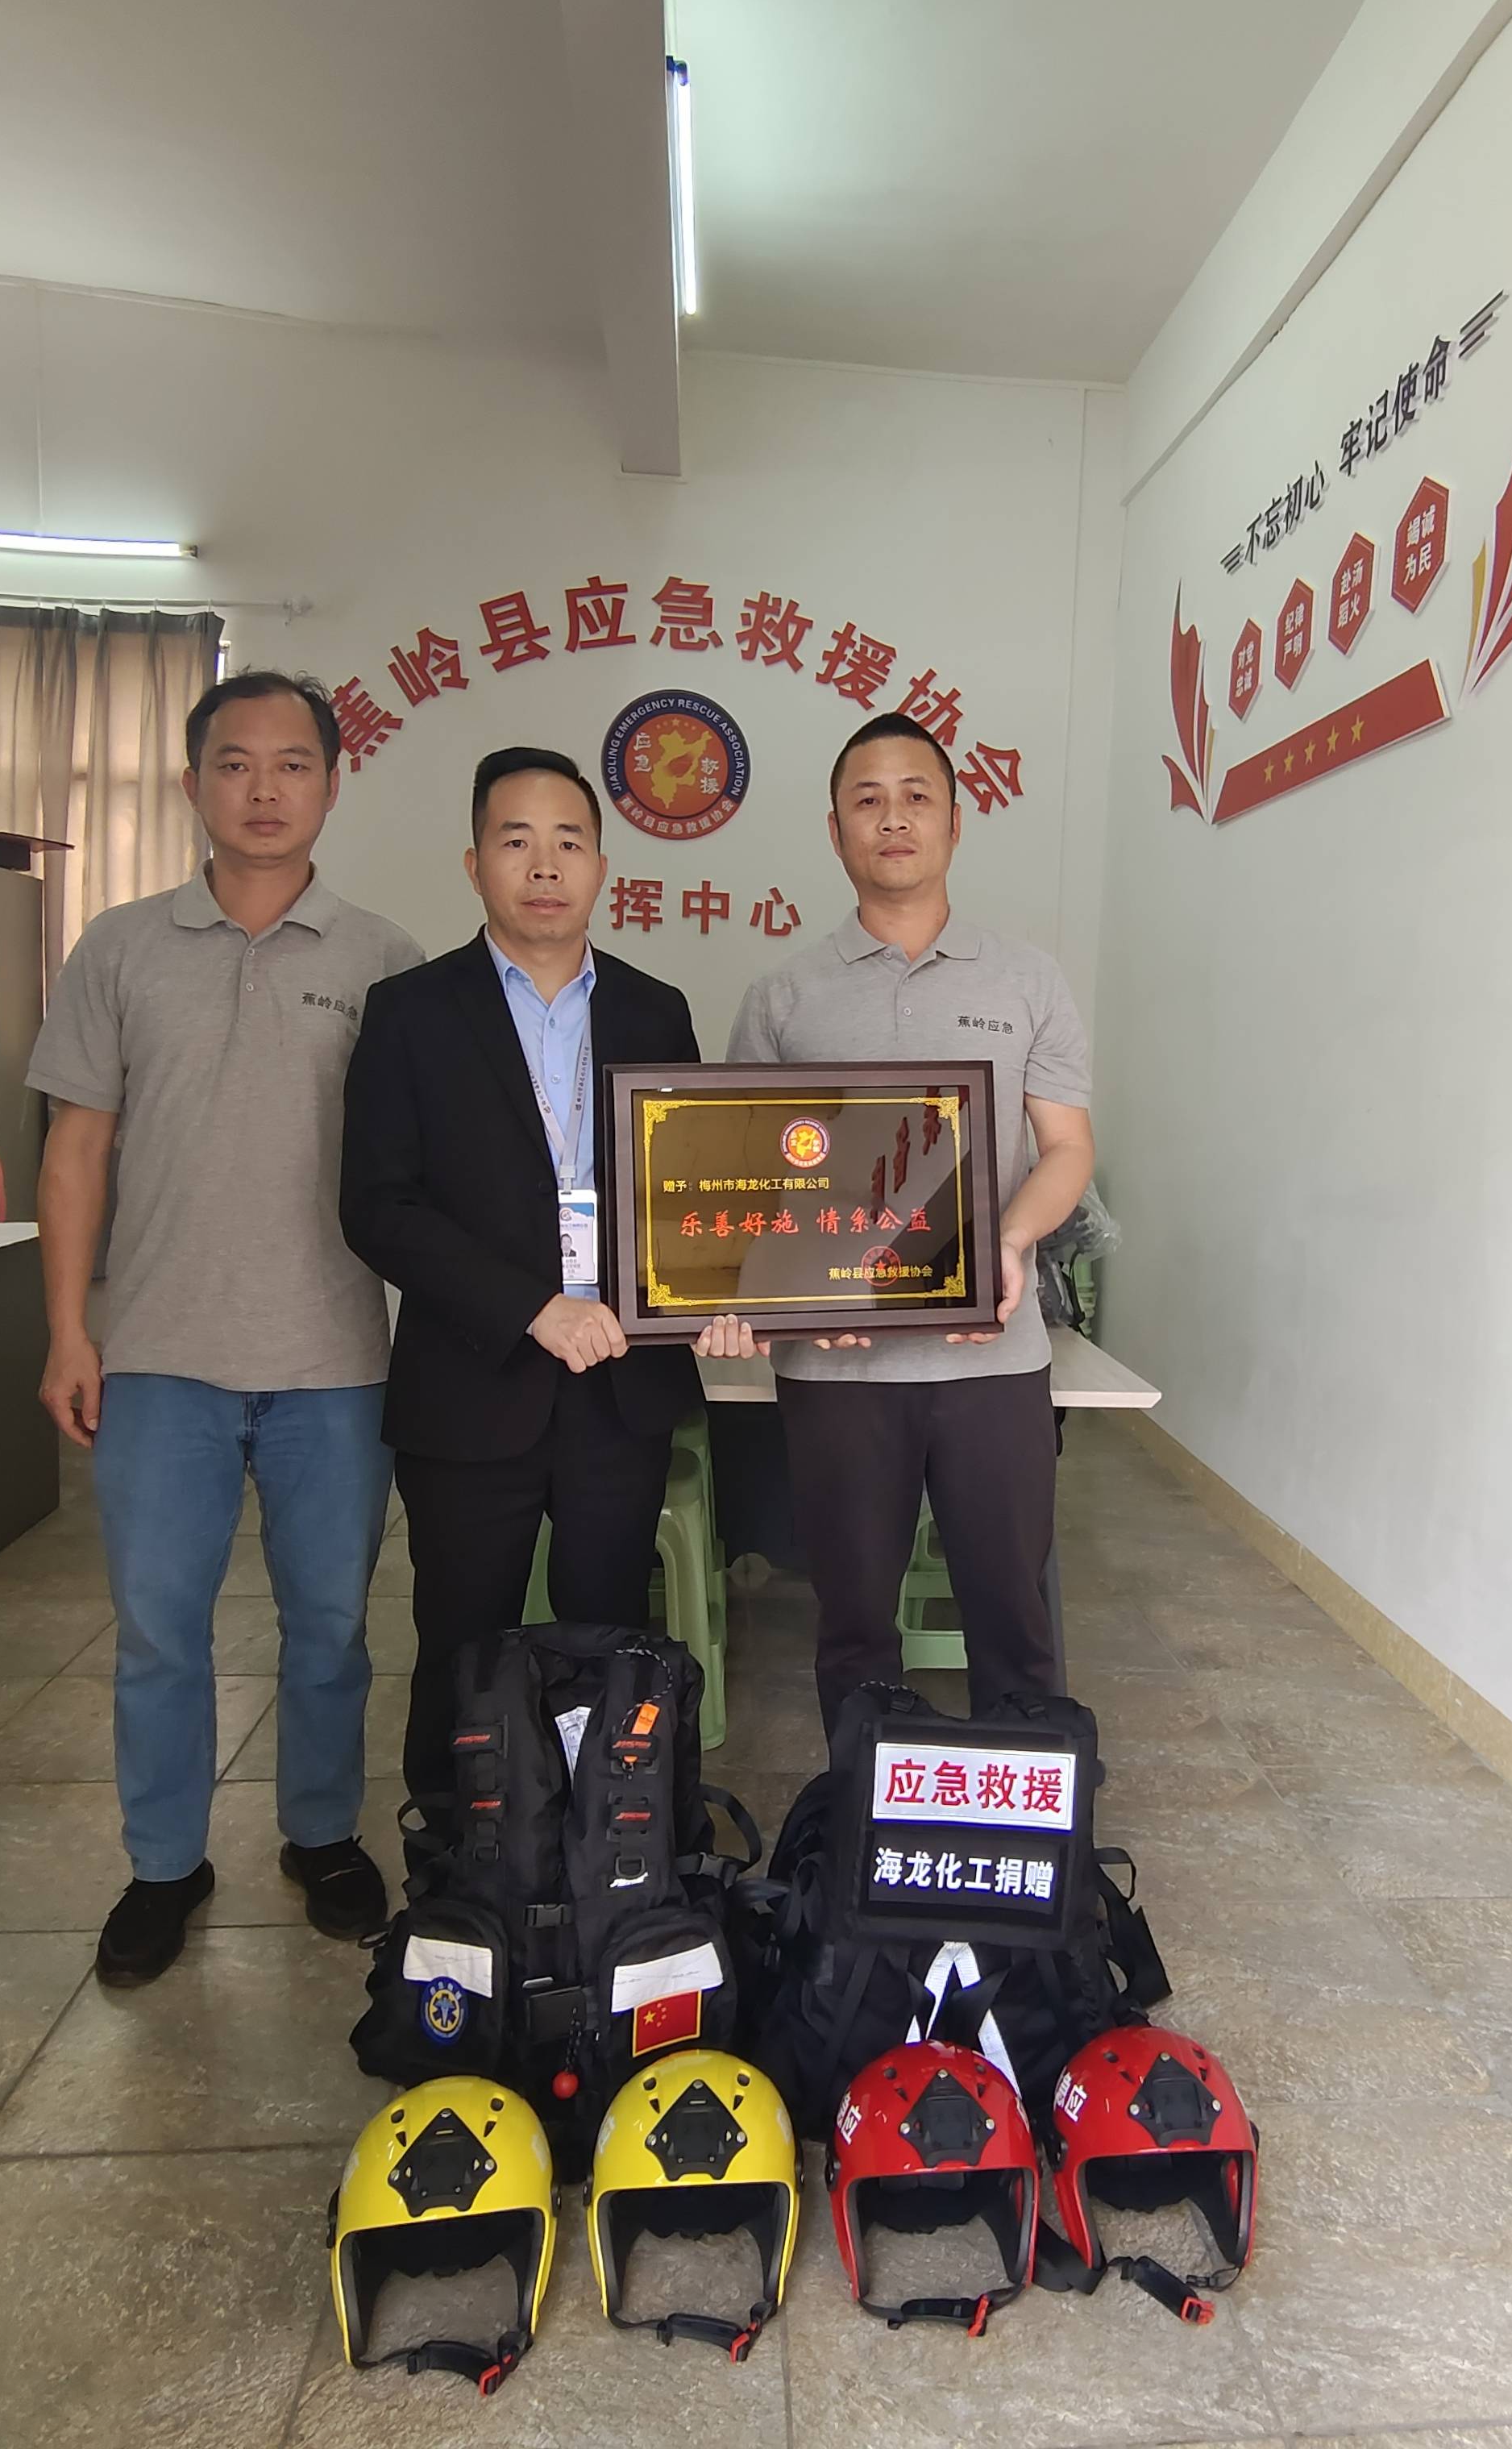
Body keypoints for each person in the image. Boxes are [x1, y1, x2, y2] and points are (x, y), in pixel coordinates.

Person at [27, 669, 422, 1988]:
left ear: (331, 785)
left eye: (292, 764)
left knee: (332, 1624)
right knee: (157, 1632)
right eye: (236, 764)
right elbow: (74, 1151)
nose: (264, 789)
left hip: (333, 1359)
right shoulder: (120, 948)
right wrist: (68, 1331)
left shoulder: (383, 960)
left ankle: (322, 1834)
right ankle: (163, 1865)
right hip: (157, 1355)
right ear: (193, 783)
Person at [341, 746, 746, 1800]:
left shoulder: (655, 1010)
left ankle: (598, 1846)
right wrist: (532, 1309)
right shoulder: (411, 1011)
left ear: (602, 865)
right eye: (515, 841)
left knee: (607, 1639)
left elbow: (688, 1195)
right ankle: (452, 1855)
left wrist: (723, 1294)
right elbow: (378, 1207)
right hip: (471, 1383)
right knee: (461, 1642)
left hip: (622, 1386)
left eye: (568, 841)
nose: (544, 865)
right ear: (474, 863)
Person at [708, 711, 1096, 1728]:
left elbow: (1066, 1148)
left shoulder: (1026, 981)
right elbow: (750, 1178)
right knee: (851, 1628)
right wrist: (793, 1289)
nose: (893, 818)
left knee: (1011, 1619)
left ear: (954, 824)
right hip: (837, 1372)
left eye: (916, 797)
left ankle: (1020, 1801)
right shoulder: (782, 997)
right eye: (867, 800)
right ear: (834, 830)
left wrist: (1007, 1242)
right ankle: (862, 1805)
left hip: (992, 1358)